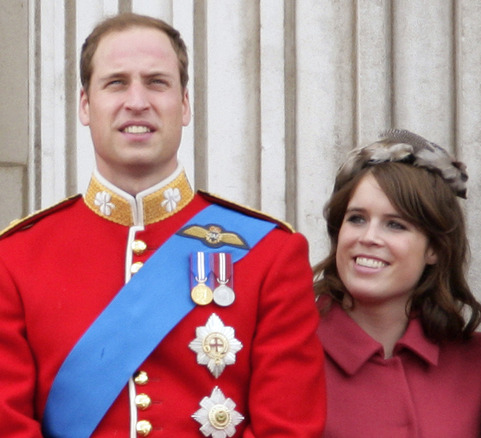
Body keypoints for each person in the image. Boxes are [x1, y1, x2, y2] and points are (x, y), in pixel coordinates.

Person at [0, 13, 325, 437]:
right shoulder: (15, 258)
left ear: (185, 105)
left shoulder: (271, 253)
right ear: (85, 105)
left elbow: (289, 427)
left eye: (157, 82)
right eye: (116, 82)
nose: (137, 101)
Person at [313, 129, 481, 437]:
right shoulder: (288, 352)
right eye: (356, 219)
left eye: (395, 224)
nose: (368, 237)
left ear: (434, 248)